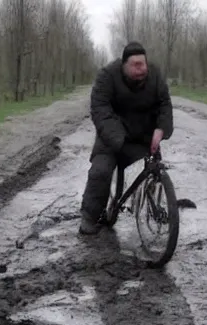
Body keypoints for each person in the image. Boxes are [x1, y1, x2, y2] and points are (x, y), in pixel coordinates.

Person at [79, 41, 174, 235]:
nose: (141, 69)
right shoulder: (107, 76)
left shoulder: (155, 76)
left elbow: (164, 104)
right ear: (124, 65)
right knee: (100, 171)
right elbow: (100, 110)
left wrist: (161, 129)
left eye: (143, 64)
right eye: (135, 65)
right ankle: (90, 217)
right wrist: (118, 140)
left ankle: (155, 206)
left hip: (144, 135)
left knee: (155, 170)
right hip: (113, 136)